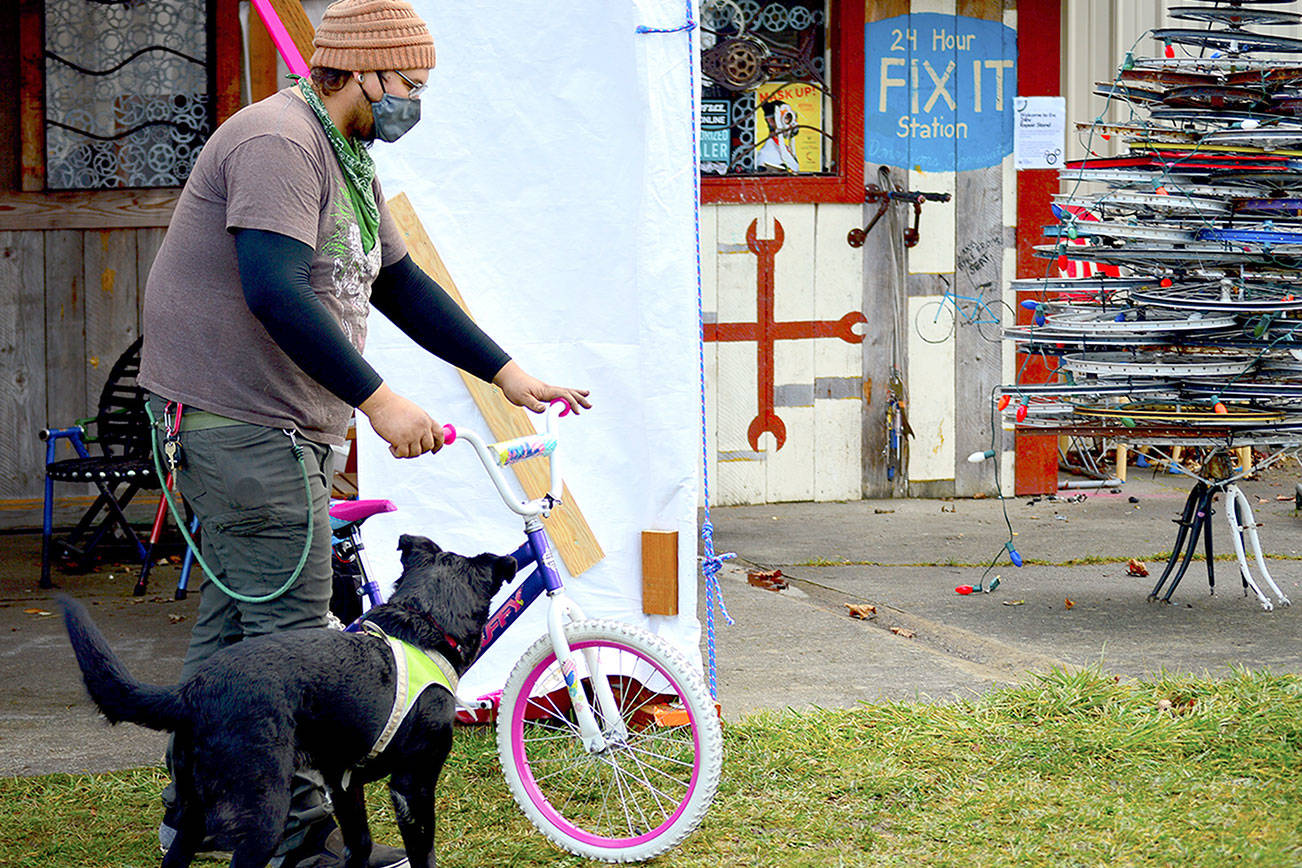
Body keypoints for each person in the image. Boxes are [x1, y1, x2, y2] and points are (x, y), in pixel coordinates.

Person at [138, 1, 590, 865]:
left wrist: (507, 373)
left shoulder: (346, 154)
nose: (414, 102)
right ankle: (293, 839)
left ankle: (196, 809)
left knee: (242, 628)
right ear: (358, 70)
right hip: (242, 423)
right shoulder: (278, 143)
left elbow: (401, 285)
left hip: (276, 424)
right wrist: (381, 400)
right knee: (295, 642)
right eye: (408, 85)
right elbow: (274, 288)